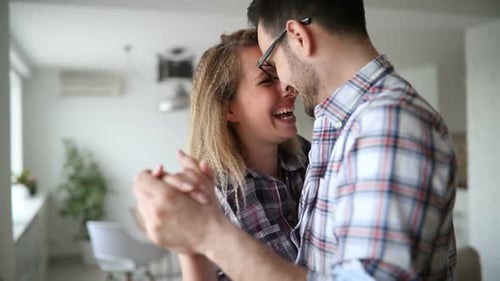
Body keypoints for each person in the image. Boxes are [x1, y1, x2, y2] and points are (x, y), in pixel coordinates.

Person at [134, 0, 457, 280]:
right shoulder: (339, 128)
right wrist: (192, 241)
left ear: (299, 37)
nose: (286, 85)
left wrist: (207, 233)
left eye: (273, 63)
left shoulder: (386, 124)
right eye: (267, 73)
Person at [139, 28, 309, 280]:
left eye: (283, 75)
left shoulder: (311, 157)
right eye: (267, 80)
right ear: (229, 110)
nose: (289, 87)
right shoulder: (211, 195)